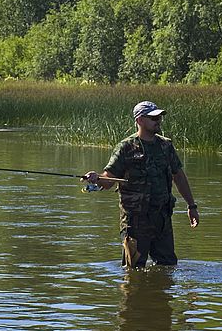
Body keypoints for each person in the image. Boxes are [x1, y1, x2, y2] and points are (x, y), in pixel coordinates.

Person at [85, 101, 199, 268]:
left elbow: (179, 177)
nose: (158, 120)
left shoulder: (165, 146)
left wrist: (191, 206)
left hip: (162, 220)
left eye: (159, 117)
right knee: (133, 270)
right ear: (140, 121)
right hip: (135, 222)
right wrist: (96, 178)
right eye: (153, 117)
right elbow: (108, 180)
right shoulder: (126, 147)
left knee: (167, 268)